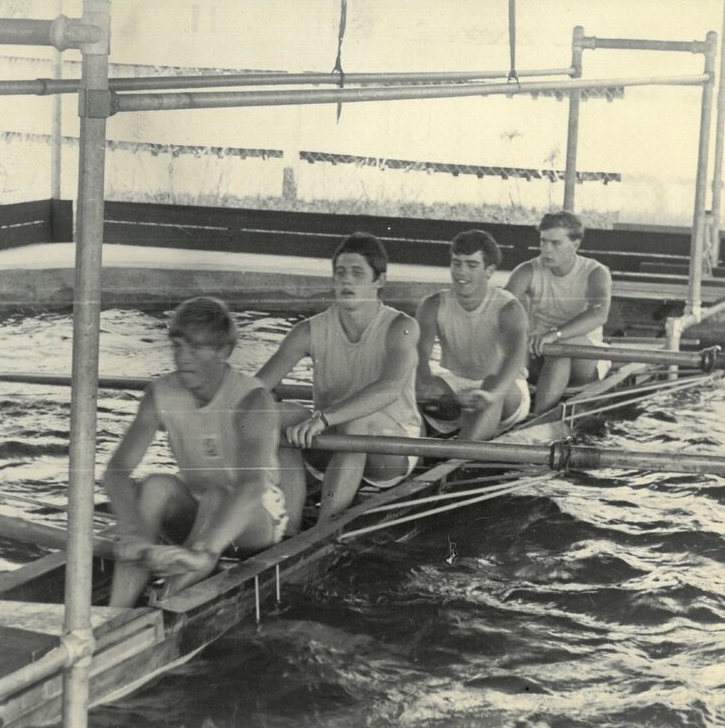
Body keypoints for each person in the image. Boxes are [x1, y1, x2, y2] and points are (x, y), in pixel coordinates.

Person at [103, 297, 305, 607]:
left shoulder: (252, 400)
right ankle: (115, 614)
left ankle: (167, 596)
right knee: (156, 485)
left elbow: (250, 488)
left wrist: (205, 550)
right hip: (201, 508)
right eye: (177, 346)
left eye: (196, 350)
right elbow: (116, 471)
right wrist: (131, 529)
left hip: (256, 517)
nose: (183, 359)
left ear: (224, 352)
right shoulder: (159, 394)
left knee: (217, 496)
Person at [256, 231, 421, 523]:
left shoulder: (402, 326)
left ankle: (322, 531)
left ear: (379, 281)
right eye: (340, 273)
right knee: (276, 414)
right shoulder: (308, 330)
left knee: (355, 423)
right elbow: (255, 389)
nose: (346, 281)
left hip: (391, 451)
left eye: (357, 273)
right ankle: (288, 529)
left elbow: (390, 388)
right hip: (331, 442)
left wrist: (323, 418)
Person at [416, 229, 529, 441]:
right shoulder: (432, 304)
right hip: (455, 384)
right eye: (456, 263)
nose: (461, 272)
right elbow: (420, 354)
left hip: (505, 389)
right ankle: (417, 457)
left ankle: (459, 458)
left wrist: (492, 395)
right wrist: (424, 382)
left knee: (490, 383)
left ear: (489, 270)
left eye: (471, 265)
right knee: (414, 387)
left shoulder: (509, 308)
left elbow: (515, 359)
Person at [504, 210, 612, 415]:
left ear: (576, 245)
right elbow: (501, 310)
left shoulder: (596, 272)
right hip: (538, 352)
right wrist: (520, 334)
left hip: (584, 360)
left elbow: (599, 314)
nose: (546, 250)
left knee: (561, 346)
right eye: (543, 241)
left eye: (555, 243)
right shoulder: (527, 270)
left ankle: (537, 419)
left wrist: (553, 334)